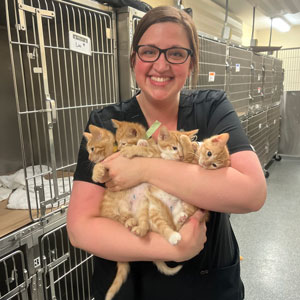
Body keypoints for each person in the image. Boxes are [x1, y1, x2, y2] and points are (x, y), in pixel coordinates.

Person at [67, 5, 266, 300]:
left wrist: (145, 169)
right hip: (133, 286)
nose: (161, 66)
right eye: (149, 51)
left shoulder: (212, 108)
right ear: (134, 58)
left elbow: (252, 193)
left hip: (206, 283)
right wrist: (172, 247)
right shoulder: (107, 123)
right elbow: (80, 227)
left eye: (175, 53)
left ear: (191, 63)